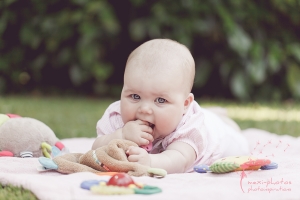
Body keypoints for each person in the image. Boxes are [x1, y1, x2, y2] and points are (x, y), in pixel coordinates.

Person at [92, 38, 249, 174]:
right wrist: (120, 135)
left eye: (160, 100)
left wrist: (150, 162)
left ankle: (222, 119)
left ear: (185, 104)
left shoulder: (190, 128)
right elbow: (95, 148)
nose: (144, 109)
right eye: (135, 96)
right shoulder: (117, 116)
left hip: (217, 135)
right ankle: (212, 113)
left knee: (238, 143)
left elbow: (180, 160)